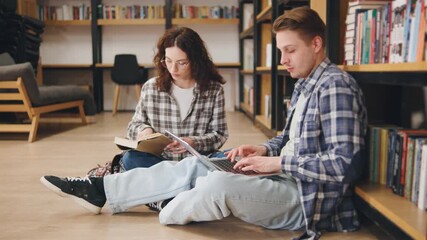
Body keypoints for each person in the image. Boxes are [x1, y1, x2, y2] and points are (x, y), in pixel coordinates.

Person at [40, 7, 367, 240]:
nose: (282, 60)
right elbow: (288, 139)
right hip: (284, 176)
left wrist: (275, 160)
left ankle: (166, 202)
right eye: (280, 51)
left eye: (289, 50)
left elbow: (344, 165)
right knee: (204, 167)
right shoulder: (306, 84)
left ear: (316, 44)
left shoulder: (335, 86)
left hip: (307, 200)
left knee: (213, 183)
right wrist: (264, 148)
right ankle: (100, 190)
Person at [118, 27, 228, 170]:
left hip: (195, 161)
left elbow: (219, 134)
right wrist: (144, 130)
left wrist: (194, 142)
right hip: (159, 161)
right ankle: (186, 183)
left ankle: (169, 184)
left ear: (196, 61)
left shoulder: (214, 90)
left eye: (181, 63)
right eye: (168, 61)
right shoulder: (151, 87)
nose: (173, 69)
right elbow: (133, 126)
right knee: (131, 158)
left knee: (228, 158)